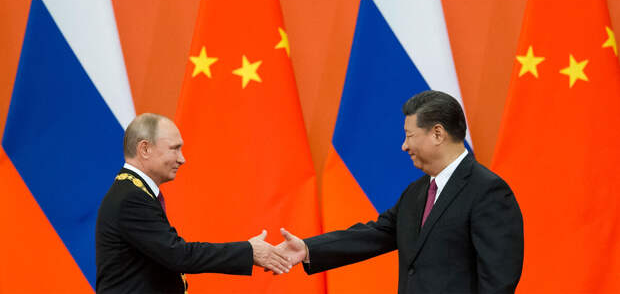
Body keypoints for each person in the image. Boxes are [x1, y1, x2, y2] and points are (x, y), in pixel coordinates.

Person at [275, 90, 524, 294]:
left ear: (437, 133)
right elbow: (375, 234)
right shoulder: (416, 192)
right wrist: (307, 249)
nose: (404, 146)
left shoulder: (487, 191)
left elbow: (498, 281)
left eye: (409, 136)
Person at [96, 113, 290, 294]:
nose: (182, 159)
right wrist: (249, 251)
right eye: (174, 149)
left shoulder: (132, 191)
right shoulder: (131, 198)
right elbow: (179, 255)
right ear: (145, 149)